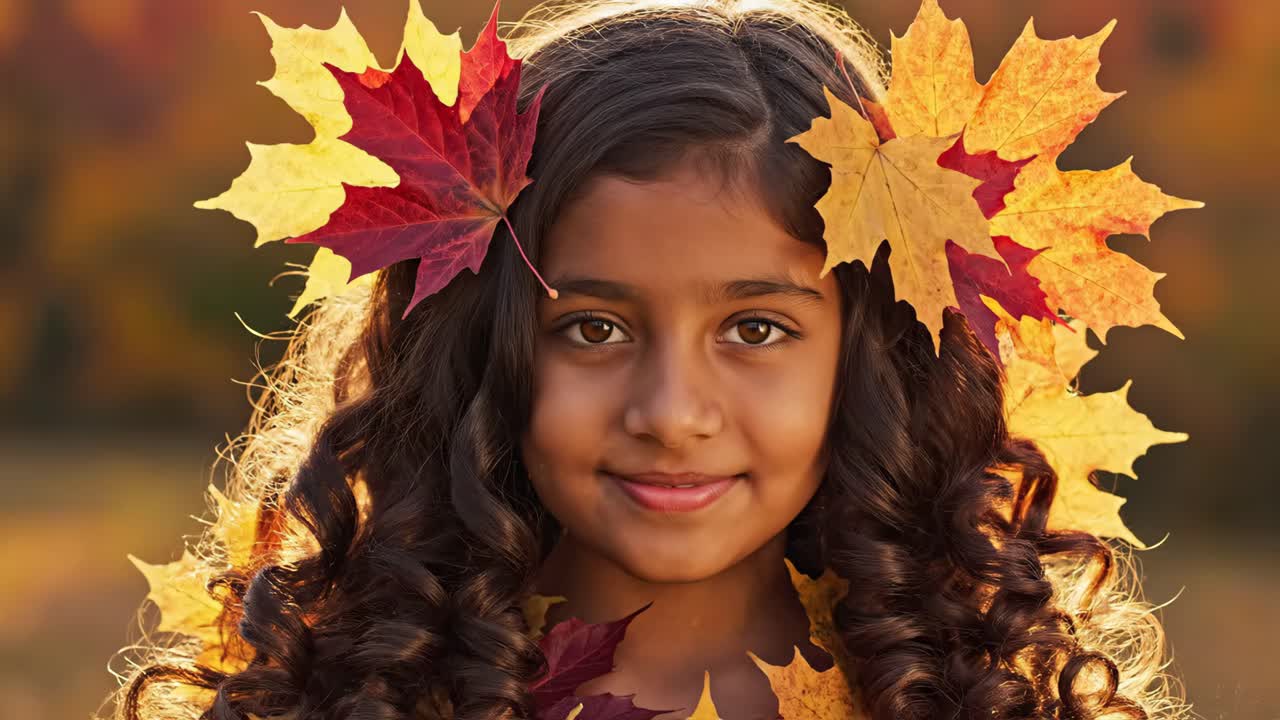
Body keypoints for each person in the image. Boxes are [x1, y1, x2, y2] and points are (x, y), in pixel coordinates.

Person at [102, 1, 1188, 719]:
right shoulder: (350, 691)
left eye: (755, 330)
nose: (672, 412)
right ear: (482, 348)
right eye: (592, 328)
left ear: (865, 358)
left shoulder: (974, 696)